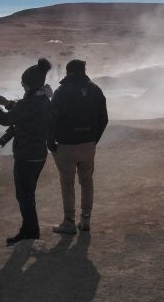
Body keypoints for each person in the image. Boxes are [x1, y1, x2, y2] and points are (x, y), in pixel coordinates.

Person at [0, 57, 52, 246]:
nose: (22, 85)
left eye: (23, 83)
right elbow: (24, 110)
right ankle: (28, 230)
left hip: (26, 156)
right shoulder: (43, 99)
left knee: (24, 196)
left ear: (29, 85)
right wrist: (7, 102)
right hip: (38, 153)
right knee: (27, 194)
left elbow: (6, 120)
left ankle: (30, 233)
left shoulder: (29, 103)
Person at [47, 59, 108, 234]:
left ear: (67, 72)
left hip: (66, 145)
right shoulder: (95, 90)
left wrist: (51, 143)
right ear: (84, 70)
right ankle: (86, 221)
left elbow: (52, 119)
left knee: (67, 183)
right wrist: (93, 140)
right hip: (88, 145)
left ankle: (69, 222)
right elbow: (103, 119)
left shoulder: (61, 91)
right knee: (87, 181)